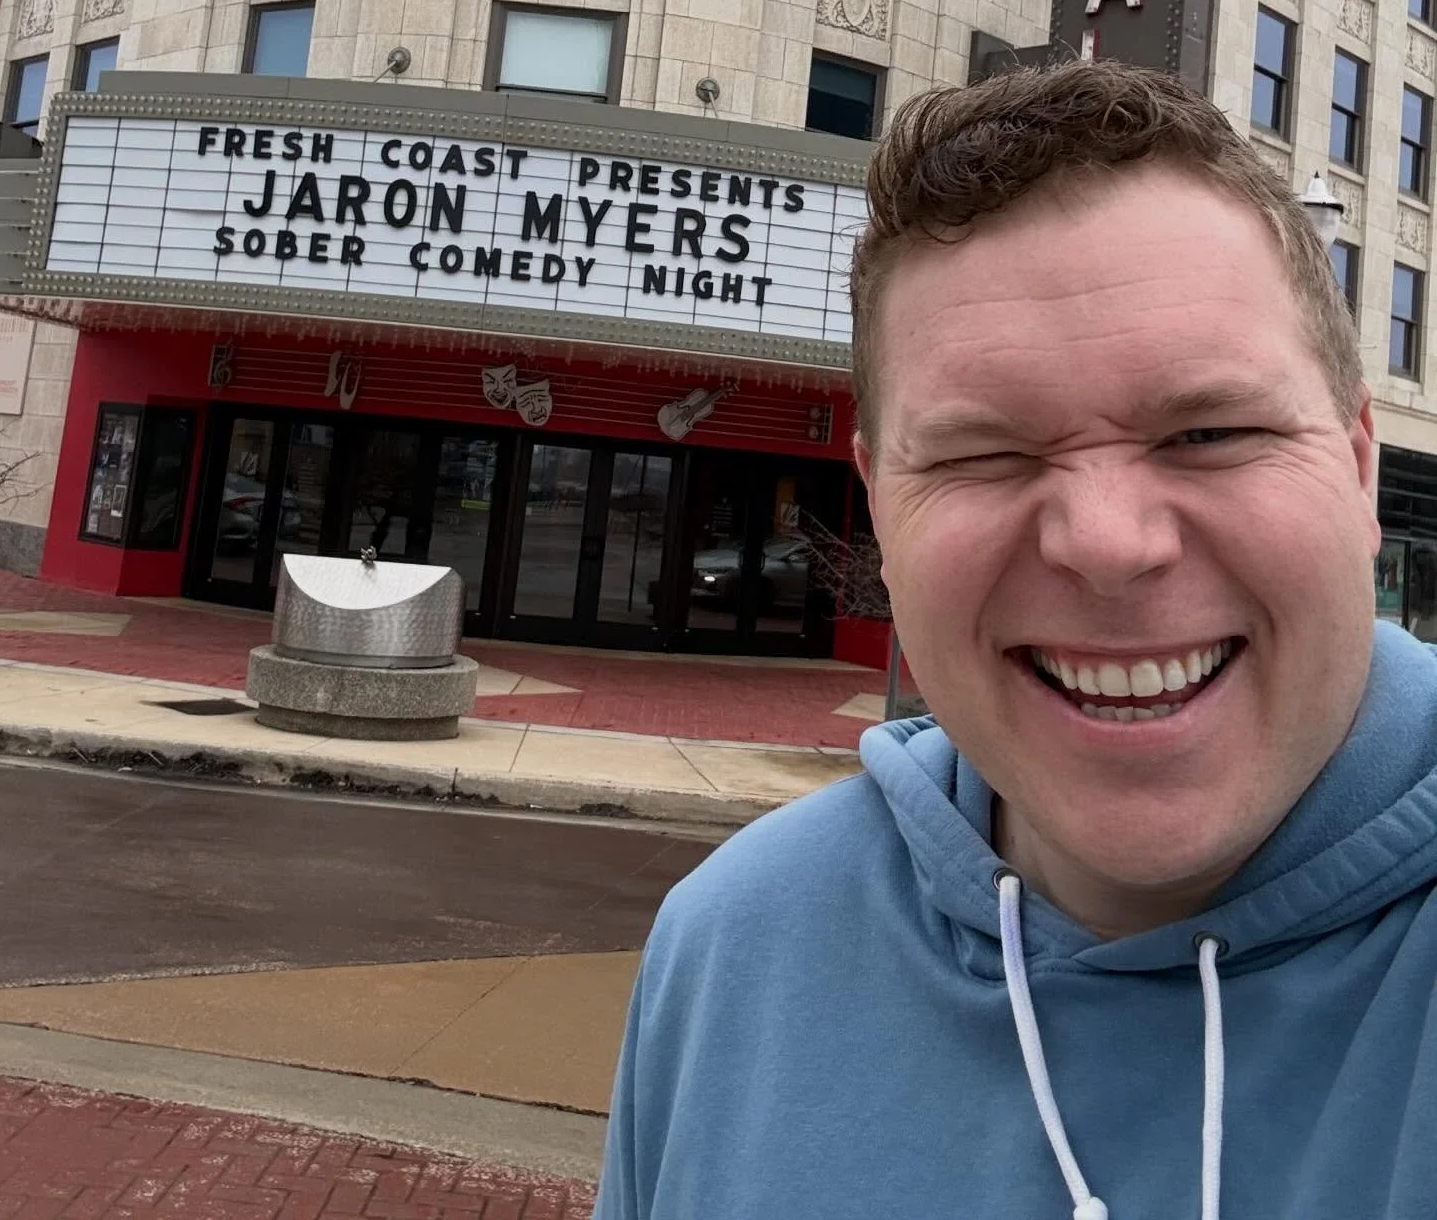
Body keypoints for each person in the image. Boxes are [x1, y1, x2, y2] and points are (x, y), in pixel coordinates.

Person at [594, 61, 1437, 1220]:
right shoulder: (730, 943)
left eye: (1208, 432)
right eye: (984, 455)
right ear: (881, 505)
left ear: (1358, 468)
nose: (1108, 544)